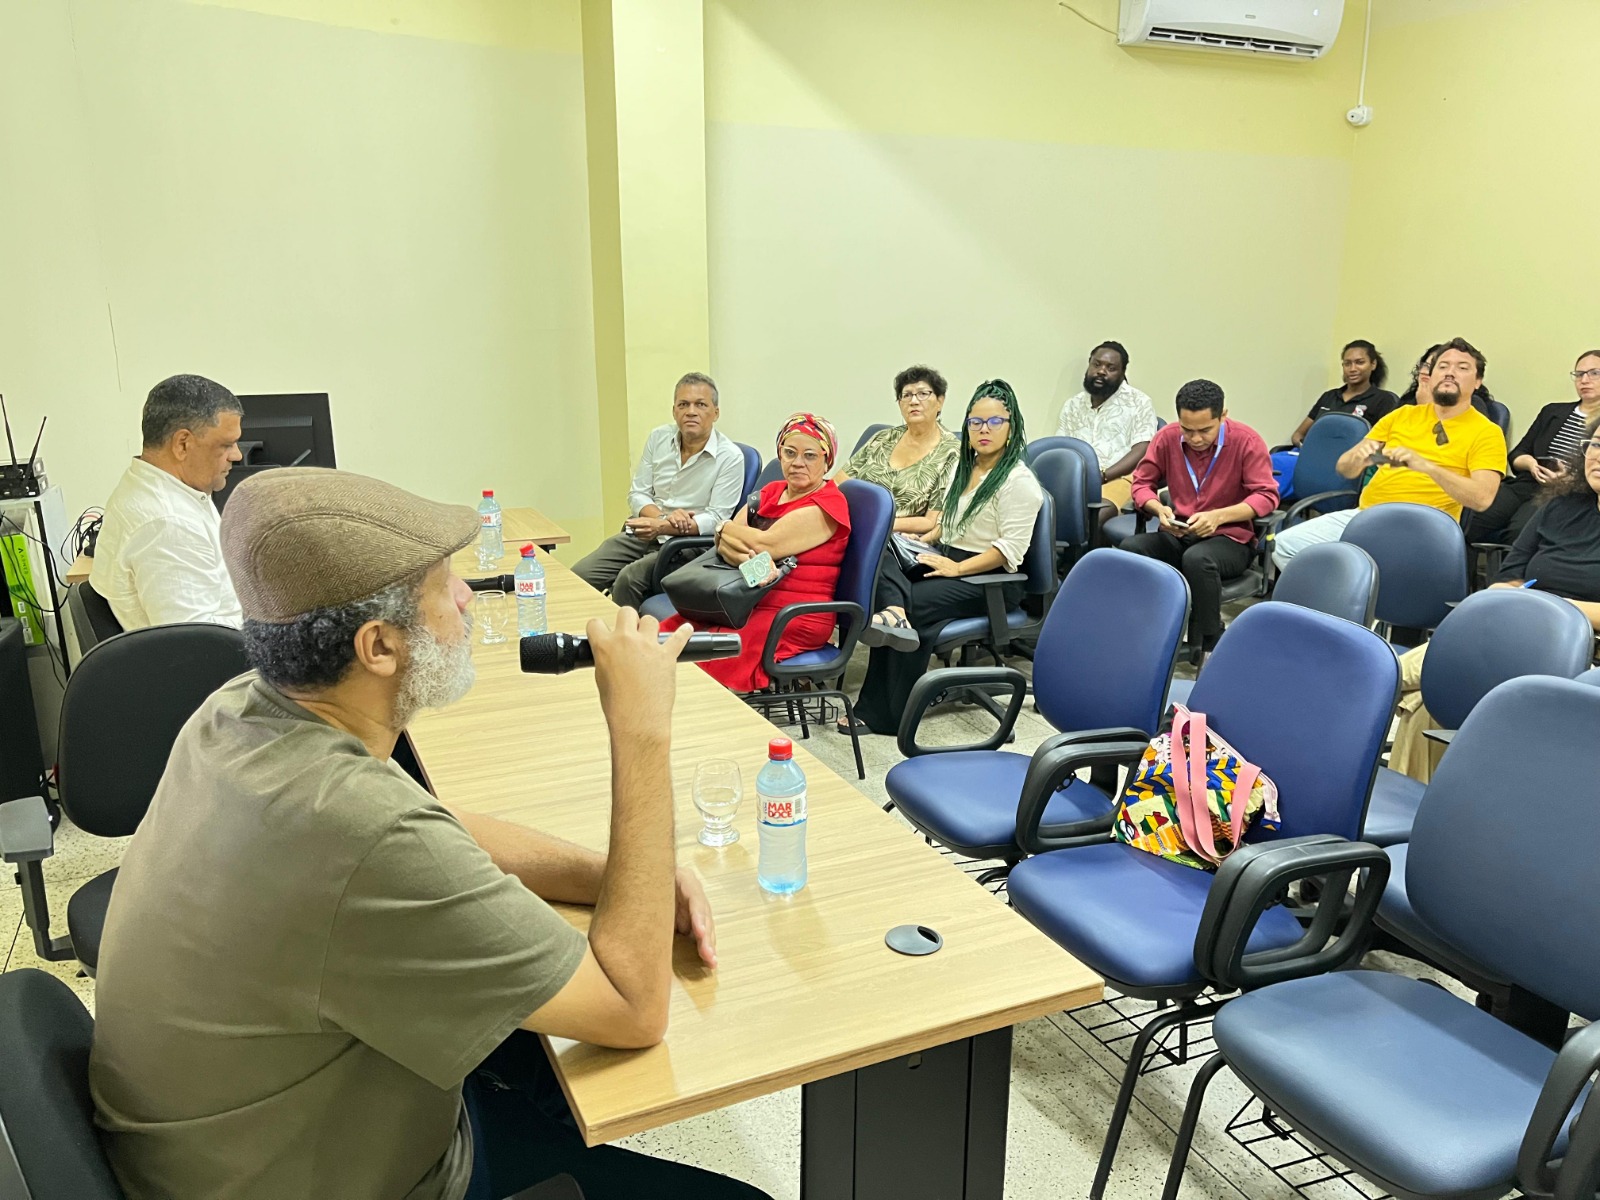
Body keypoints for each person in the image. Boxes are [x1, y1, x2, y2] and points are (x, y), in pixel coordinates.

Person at [89, 467, 768, 1200]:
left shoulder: (239, 710)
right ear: (379, 647)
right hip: (354, 1179)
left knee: (532, 1056)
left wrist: (619, 879)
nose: (467, 596)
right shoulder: (360, 830)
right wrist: (641, 730)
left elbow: (428, 827)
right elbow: (632, 1008)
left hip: (238, 1142)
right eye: (443, 584)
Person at [1391, 419, 1600, 780]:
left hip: (1581, 649)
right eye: (1595, 444)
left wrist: (1550, 607)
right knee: (1424, 702)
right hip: (1519, 628)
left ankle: (1377, 679)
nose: (1598, 456)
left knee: (1414, 684)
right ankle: (1416, 805)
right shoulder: (1563, 506)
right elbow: (1508, 576)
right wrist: (1516, 599)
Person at [849, 380, 1043, 736]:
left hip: (987, 578)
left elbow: (1009, 551)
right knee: (881, 553)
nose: (984, 430)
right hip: (947, 558)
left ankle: (885, 714)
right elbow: (949, 524)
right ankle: (895, 613)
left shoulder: (1019, 481)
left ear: (1011, 426)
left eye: (994, 422)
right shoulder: (964, 468)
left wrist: (957, 568)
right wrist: (921, 540)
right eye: (975, 422)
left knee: (912, 603)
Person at [1272, 338, 1507, 568]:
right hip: (1367, 515)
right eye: (1442, 367)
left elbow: (1481, 499)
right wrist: (1359, 458)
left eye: (1462, 368)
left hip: (1424, 527)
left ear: (1477, 381)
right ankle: (1344, 593)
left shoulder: (1487, 432)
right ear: (1431, 376)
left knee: (1367, 564)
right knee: (1283, 546)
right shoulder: (1403, 415)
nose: (1449, 373)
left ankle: (1355, 588)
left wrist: (1427, 467)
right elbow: (1345, 468)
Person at [660, 414, 850, 694]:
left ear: (827, 460)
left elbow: (764, 545)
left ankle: (699, 707)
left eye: (810, 455)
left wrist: (726, 529)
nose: (798, 462)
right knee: (670, 635)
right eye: (790, 453)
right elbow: (722, 544)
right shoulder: (772, 492)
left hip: (794, 614)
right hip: (746, 599)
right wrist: (746, 557)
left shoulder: (828, 504)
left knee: (708, 654)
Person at [1123, 380, 1278, 657]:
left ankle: (1209, 640)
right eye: (1187, 429)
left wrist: (1219, 516)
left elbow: (1266, 496)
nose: (1195, 439)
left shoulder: (1247, 441)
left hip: (1230, 539)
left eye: (1205, 430)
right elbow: (1141, 484)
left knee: (1197, 559)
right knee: (1131, 550)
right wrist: (1159, 509)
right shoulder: (1167, 438)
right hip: (1181, 532)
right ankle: (1143, 631)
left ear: (1223, 416)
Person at [572, 372, 745, 609]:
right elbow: (638, 493)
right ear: (674, 411)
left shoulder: (730, 457)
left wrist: (665, 526)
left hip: (688, 545)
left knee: (628, 580)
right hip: (646, 531)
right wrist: (661, 520)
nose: (691, 411)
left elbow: (717, 518)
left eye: (700, 405)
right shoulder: (658, 438)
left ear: (716, 413)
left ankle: (631, 633)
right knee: (579, 576)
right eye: (683, 404)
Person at [89, 374, 245, 630]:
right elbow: (196, 641)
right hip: (227, 652)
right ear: (183, 444)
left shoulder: (159, 487)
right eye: (226, 445)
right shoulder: (168, 523)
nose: (237, 455)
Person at [1464, 349, 1600, 544]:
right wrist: (1530, 464)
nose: (1584, 380)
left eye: (1594, 373)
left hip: (1567, 492)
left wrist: (1572, 478)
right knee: (1472, 519)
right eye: (1579, 374)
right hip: (1527, 483)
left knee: (1520, 532)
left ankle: (1511, 565)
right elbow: (1517, 454)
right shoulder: (1552, 411)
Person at [836, 364, 959, 536]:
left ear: (940, 401)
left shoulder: (952, 452)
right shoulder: (882, 438)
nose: (914, 401)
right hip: (848, 524)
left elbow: (930, 521)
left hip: (894, 537)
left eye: (923, 394)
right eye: (906, 395)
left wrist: (875, 524)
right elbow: (838, 484)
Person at [1055, 341, 1158, 511]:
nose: (1101, 371)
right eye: (1097, 364)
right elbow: (1060, 446)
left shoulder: (1139, 402)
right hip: (1075, 480)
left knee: (1093, 514)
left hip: (1121, 478)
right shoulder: (1073, 405)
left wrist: (1101, 476)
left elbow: (1142, 449)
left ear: (1122, 372)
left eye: (1111, 368)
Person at [1287, 340, 1398, 446]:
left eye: (1360, 362)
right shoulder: (1329, 396)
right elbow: (1298, 435)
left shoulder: (1384, 400)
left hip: (1352, 458)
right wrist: (1305, 447)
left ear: (1373, 364)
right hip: (1314, 453)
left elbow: (1383, 443)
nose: (1352, 369)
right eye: (1347, 364)